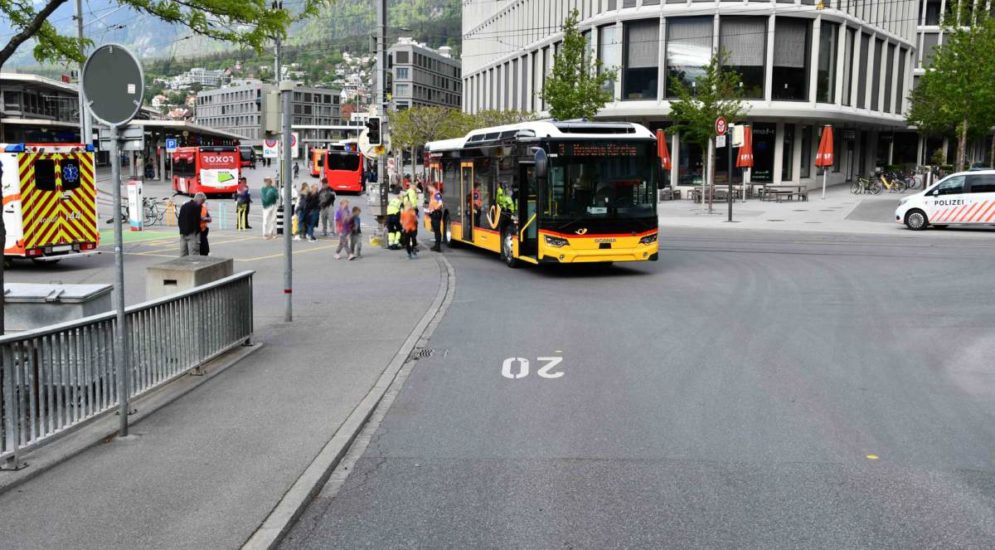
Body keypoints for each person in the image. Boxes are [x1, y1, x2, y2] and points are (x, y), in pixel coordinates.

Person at [428, 184, 444, 252]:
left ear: (432, 187)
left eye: (429, 188)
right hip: (434, 214)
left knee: (437, 231)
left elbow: (440, 203)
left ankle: (438, 247)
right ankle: (436, 246)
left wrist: (434, 209)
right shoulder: (433, 194)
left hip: (436, 213)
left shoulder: (437, 194)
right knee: (436, 231)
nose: (428, 190)